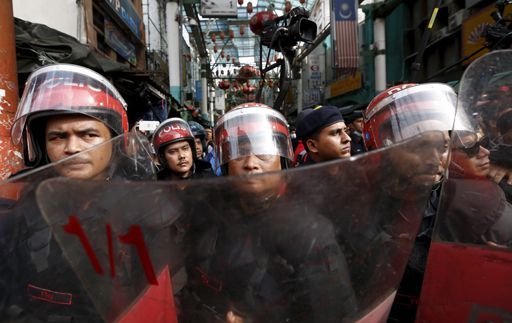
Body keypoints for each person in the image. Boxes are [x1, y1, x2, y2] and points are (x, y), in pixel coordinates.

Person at [1, 64, 154, 322]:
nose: (72, 148)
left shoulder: (144, 209)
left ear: (115, 139)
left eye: (88, 134)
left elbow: (158, 302)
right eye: (57, 137)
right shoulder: (22, 206)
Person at [179, 102, 357, 322]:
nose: (251, 163)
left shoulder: (310, 232)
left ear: (282, 162)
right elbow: (193, 289)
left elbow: (332, 311)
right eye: (240, 152)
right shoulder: (209, 216)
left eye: (263, 151)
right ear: (225, 165)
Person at [362, 83, 459, 322]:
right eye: (418, 147)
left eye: (443, 147)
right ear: (382, 149)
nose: (434, 160)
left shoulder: (470, 205)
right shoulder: (355, 216)